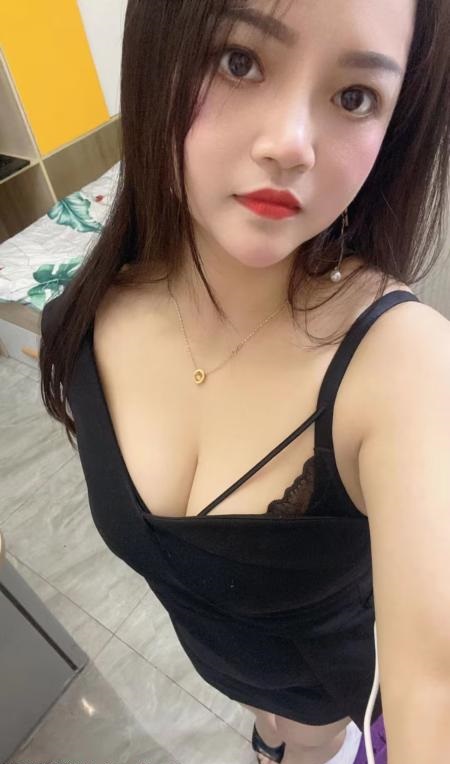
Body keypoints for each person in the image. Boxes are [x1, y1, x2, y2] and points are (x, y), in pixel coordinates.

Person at [39, 1, 450, 762]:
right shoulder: (89, 314)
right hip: (237, 676)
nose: (290, 144)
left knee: (306, 741)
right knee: (269, 729)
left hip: (325, 695)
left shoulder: (406, 365)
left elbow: (436, 684)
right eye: (239, 61)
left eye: (353, 96)